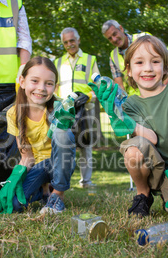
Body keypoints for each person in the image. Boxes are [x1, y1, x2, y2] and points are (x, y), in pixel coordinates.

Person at [88, 35, 168, 224]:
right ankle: (143, 194)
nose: (147, 68)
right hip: (153, 168)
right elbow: (151, 139)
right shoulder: (129, 104)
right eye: (139, 62)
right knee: (133, 148)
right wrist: (123, 118)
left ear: (165, 66)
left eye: (155, 61)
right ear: (128, 70)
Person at [0, 56, 76, 214]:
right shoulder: (14, 113)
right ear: (22, 81)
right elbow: (27, 156)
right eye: (35, 81)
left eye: (48, 83)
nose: (41, 88)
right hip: (39, 167)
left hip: (59, 163)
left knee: (62, 132)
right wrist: (14, 180)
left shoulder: (60, 108)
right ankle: (44, 193)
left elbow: (65, 142)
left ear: (55, 87)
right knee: (14, 204)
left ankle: (57, 196)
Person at [54, 27, 99, 188]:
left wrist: (89, 96)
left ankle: (86, 181)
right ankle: (64, 180)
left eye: (72, 40)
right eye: (65, 42)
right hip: (65, 110)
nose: (69, 44)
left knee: (85, 144)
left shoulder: (90, 60)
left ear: (78, 40)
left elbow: (97, 86)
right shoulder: (58, 62)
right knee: (64, 143)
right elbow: (55, 86)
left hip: (85, 108)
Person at [102, 20, 151, 96]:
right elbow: (120, 86)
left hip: (155, 92)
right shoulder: (113, 56)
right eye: (110, 38)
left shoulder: (144, 38)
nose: (114, 39)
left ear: (121, 28)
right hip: (136, 99)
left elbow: (164, 65)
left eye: (115, 34)